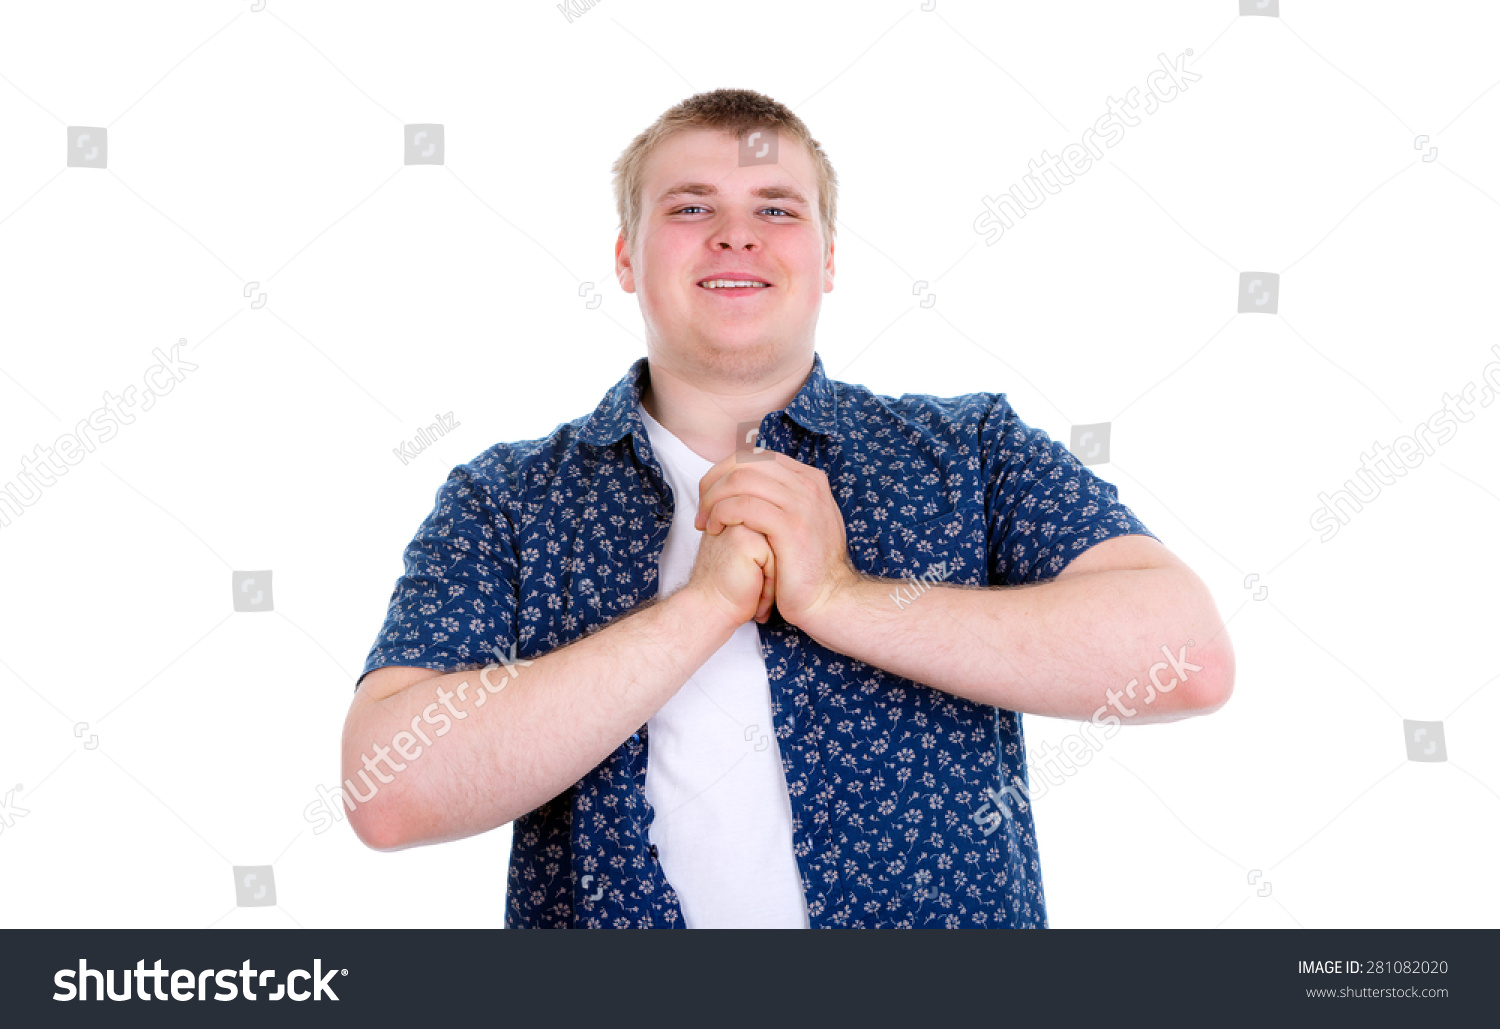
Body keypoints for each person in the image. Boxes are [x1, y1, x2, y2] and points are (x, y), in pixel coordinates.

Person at [341, 88, 1235, 928]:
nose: (736, 235)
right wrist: (700, 608)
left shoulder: (970, 451)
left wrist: (838, 596)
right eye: (691, 207)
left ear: (830, 257)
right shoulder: (506, 499)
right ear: (625, 255)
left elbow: (1187, 657)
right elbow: (389, 792)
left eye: (776, 208)